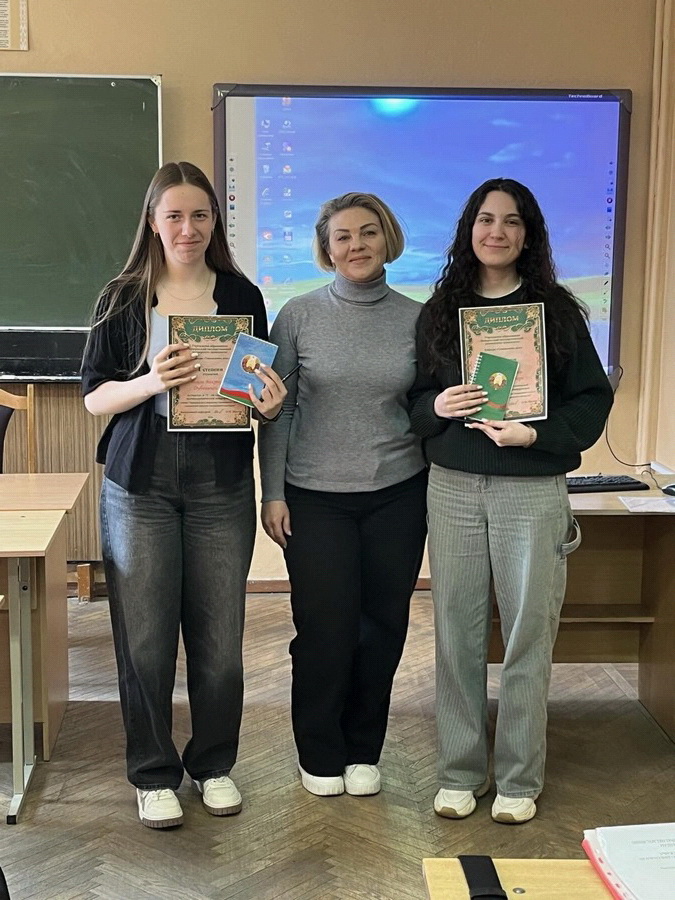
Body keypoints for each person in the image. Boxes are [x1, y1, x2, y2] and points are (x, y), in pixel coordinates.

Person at [81, 161, 286, 829]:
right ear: (152, 222)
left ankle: (214, 765)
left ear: (214, 222)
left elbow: (250, 394)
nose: (188, 228)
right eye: (174, 215)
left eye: (200, 215)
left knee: (220, 641)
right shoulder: (122, 297)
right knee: (144, 642)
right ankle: (152, 774)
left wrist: (268, 403)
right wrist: (150, 381)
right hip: (138, 484)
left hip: (220, 486)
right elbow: (94, 398)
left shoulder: (241, 295)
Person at [409, 178, 613, 824]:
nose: (496, 231)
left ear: (529, 235)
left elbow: (592, 400)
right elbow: (412, 402)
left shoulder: (556, 313)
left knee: (528, 634)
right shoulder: (440, 311)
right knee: (457, 633)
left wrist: (535, 435)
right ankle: (460, 772)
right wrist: (438, 406)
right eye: (485, 219)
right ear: (468, 229)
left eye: (512, 221)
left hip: (531, 489)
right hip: (452, 488)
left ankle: (520, 779)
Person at [259, 192, 428, 798]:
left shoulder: (419, 319)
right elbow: (275, 410)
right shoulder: (297, 316)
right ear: (326, 249)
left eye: (368, 232)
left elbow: (426, 407)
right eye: (343, 236)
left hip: (398, 494)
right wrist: (271, 493)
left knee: (382, 628)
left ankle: (363, 751)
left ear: (388, 239)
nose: (357, 245)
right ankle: (319, 753)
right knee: (324, 630)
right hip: (314, 497)